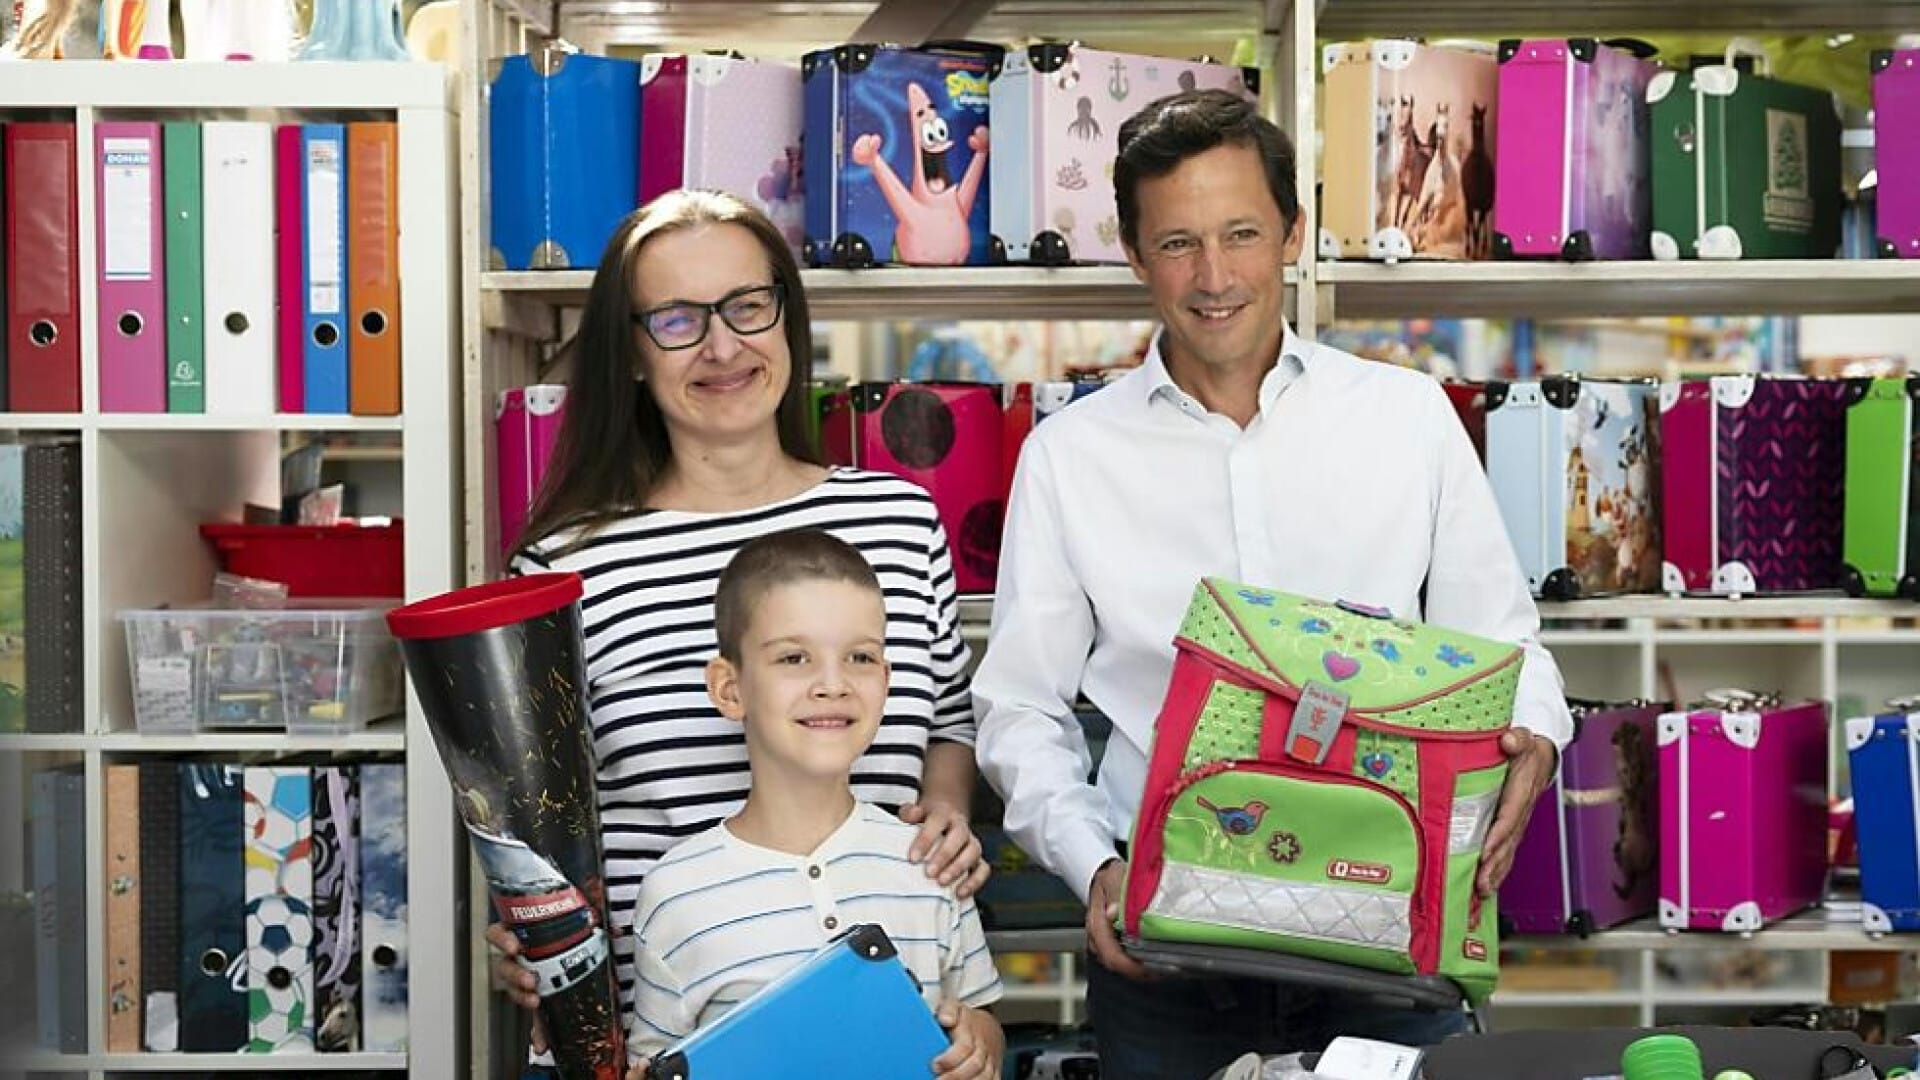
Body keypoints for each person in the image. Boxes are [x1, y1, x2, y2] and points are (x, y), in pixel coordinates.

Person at [972, 89, 1576, 1079]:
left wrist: (1537, 737)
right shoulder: (1068, 457)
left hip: (1395, 927)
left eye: (1241, 233)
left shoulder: (1408, 418)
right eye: (1178, 243)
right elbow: (1019, 710)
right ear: (1134, 254)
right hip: (1166, 950)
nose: (1214, 276)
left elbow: (1505, 647)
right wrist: (1097, 865)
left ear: (1293, 233)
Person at [488, 190, 989, 1050]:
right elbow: (540, 825)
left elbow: (946, 715)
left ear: (786, 316)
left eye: (748, 306)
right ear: (632, 352)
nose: (723, 346)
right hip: (670, 1033)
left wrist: (946, 811)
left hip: (893, 1020)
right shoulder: (563, 568)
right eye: (677, 320)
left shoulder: (900, 521)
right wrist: (529, 937)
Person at [624, 529, 1003, 1080]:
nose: (833, 683)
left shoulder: (928, 861)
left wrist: (979, 1043)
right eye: (794, 657)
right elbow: (655, 1059)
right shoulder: (674, 892)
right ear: (730, 688)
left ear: (886, 681)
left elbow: (982, 1018)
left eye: (860, 657)